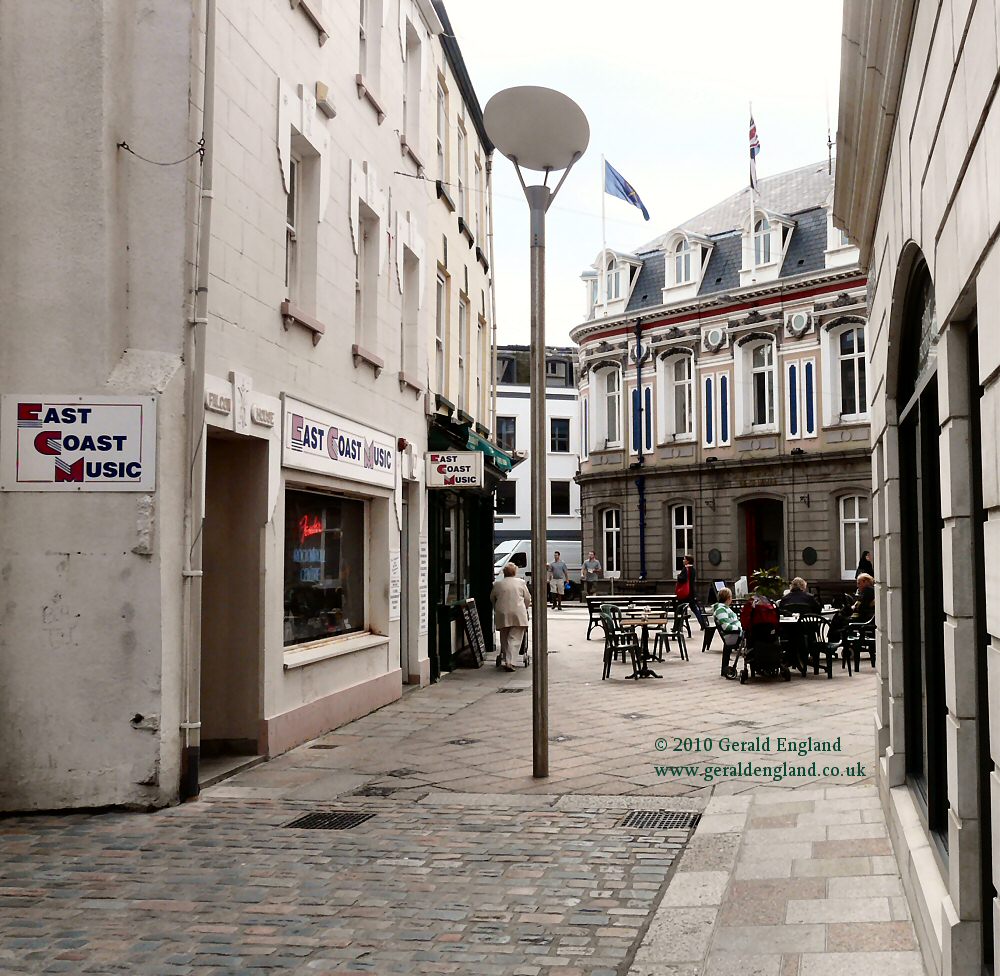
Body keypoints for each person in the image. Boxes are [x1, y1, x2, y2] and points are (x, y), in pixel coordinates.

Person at [491, 562, 531, 671]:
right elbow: (527, 598)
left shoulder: (498, 584)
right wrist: (525, 608)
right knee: (515, 638)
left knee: (504, 637)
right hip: (518, 613)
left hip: (502, 613)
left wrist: (497, 608)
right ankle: (510, 662)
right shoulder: (521, 583)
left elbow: (492, 598)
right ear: (515, 572)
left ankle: (505, 658)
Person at [712, 587, 742, 679]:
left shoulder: (724, 608)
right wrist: (741, 629)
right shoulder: (721, 610)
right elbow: (726, 626)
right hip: (734, 636)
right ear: (728, 598)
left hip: (735, 634)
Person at [676, 555, 708, 629]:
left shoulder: (685, 569)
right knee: (695, 609)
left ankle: (677, 626)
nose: (683, 560)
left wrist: (678, 576)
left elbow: (682, 579)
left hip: (686, 593)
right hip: (691, 592)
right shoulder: (693, 569)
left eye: (684, 559)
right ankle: (702, 623)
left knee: (680, 610)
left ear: (688, 561)